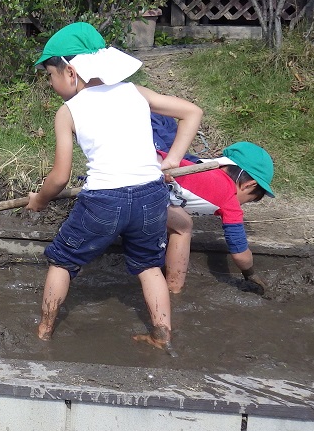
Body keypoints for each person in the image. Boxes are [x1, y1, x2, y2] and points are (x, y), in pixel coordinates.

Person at [26, 22, 203, 349]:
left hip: (105, 200)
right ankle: (161, 336)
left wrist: (39, 200)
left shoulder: (68, 112)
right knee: (150, 266)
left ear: (70, 72)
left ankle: (44, 331)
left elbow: (60, 177)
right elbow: (192, 112)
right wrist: (172, 161)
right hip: (152, 195)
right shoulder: (134, 92)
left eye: (50, 75)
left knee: (63, 260)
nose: (50, 83)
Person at [154, 134, 275, 295]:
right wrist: (250, 273)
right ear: (248, 185)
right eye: (248, 200)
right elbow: (240, 253)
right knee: (183, 227)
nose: (241, 205)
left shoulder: (201, 168)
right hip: (143, 186)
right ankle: (173, 288)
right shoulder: (229, 198)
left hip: (145, 164)